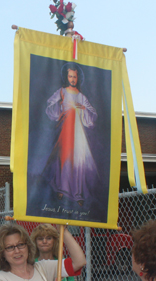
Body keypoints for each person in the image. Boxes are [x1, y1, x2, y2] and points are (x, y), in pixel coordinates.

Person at [44, 63, 97, 206]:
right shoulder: (62, 91)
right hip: (65, 132)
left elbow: (92, 115)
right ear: (66, 77)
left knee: (78, 160)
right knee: (64, 157)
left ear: (78, 78)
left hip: (79, 135)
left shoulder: (81, 96)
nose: (72, 79)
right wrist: (60, 103)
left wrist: (84, 108)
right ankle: (62, 188)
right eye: (70, 76)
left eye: (75, 76)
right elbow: (50, 107)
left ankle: (77, 193)